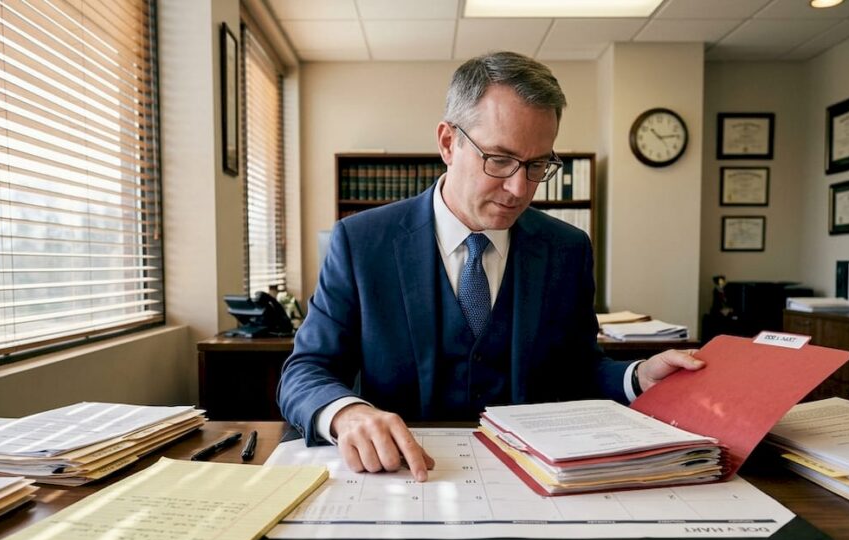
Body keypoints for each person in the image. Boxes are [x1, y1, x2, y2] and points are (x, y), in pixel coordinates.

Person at [278, 51, 703, 481]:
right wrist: (348, 414)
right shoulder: (362, 242)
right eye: (499, 159)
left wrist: (638, 376)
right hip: (404, 478)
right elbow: (306, 370)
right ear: (448, 143)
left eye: (538, 165)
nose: (520, 189)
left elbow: (580, 371)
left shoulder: (566, 249)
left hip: (534, 481)